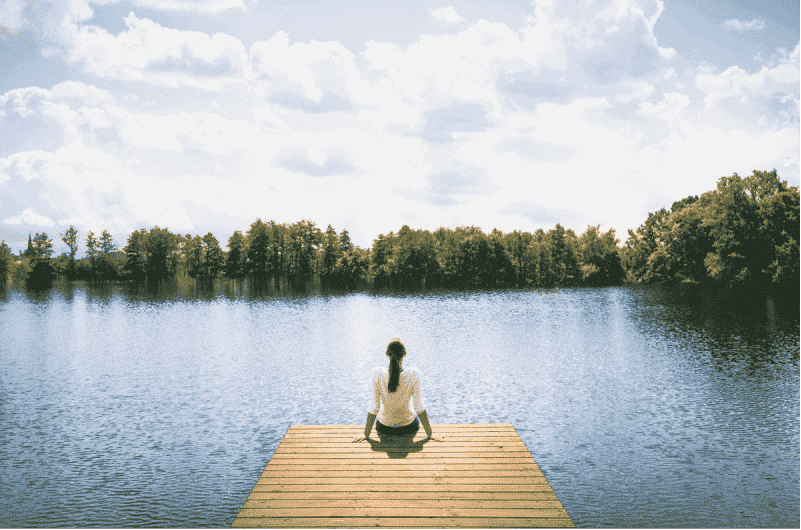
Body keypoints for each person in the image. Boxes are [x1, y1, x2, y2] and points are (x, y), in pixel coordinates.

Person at [352, 338, 443, 442]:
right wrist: (430, 434)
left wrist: (366, 434)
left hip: (384, 427)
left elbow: (374, 406)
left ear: (387, 354)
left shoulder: (377, 373)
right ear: (404, 354)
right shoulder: (413, 373)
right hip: (408, 427)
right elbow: (418, 406)